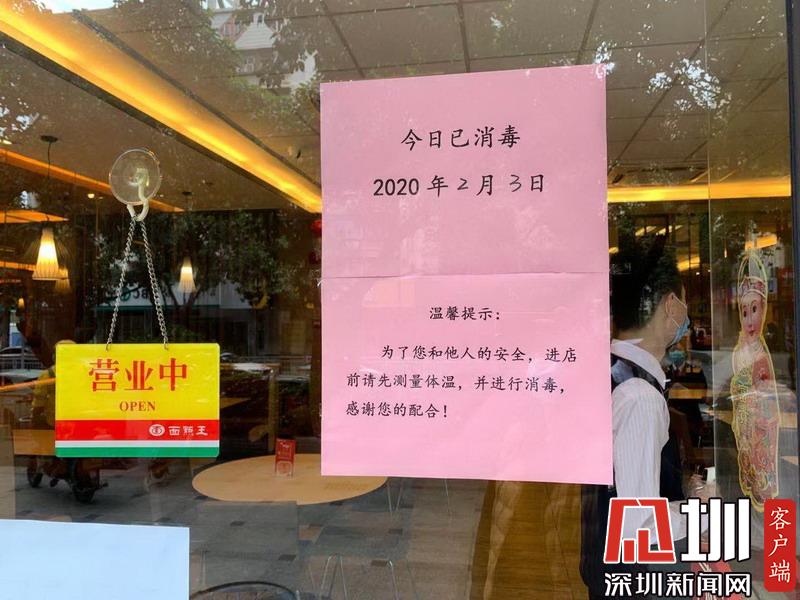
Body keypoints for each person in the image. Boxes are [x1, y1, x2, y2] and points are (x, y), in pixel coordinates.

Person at [581, 234, 710, 599]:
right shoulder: (640, 396)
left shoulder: (611, 371)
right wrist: (703, 514)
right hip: (631, 583)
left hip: (606, 572)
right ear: (670, 305)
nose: (685, 312)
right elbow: (640, 526)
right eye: (683, 300)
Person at [730, 250, 780, 512]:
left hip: (760, 424)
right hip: (745, 424)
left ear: (764, 310)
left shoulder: (761, 354)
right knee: (748, 465)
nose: (750, 320)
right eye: (744, 312)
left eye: (755, 310)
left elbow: (766, 395)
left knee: (761, 466)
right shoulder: (739, 351)